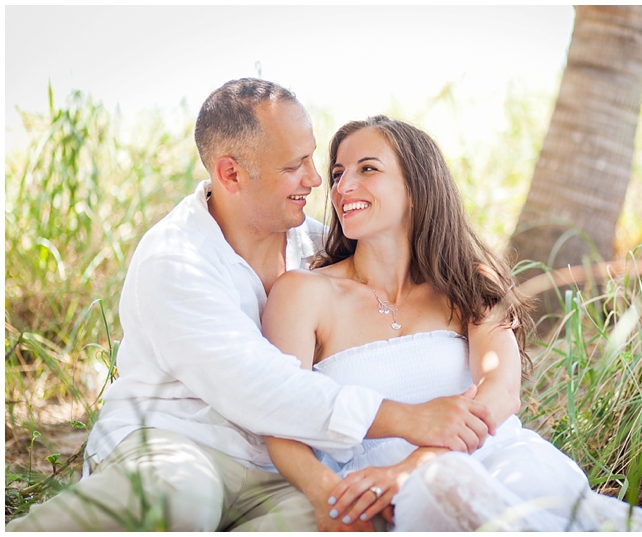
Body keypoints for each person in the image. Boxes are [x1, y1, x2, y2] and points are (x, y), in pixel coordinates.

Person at [6, 80, 497, 532]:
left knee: (362, 521)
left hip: (286, 465)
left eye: (311, 159)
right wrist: (406, 418)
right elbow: (261, 387)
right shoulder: (176, 260)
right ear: (231, 173)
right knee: (180, 498)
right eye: (293, 166)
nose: (316, 180)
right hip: (178, 444)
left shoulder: (321, 246)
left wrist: (326, 487)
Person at [261, 116, 642, 531]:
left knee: (596, 518)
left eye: (367, 169)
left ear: (415, 188)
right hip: (395, 494)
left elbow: (501, 392)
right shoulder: (303, 293)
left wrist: (416, 463)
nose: (341, 187)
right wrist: (328, 495)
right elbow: (280, 416)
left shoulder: (470, 281)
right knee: (441, 486)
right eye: (338, 174)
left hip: (503, 460)